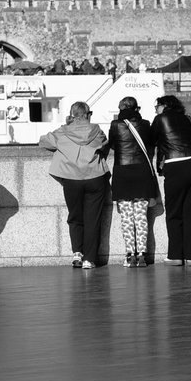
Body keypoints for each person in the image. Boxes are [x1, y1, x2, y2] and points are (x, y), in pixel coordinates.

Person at [38, 101, 108, 268]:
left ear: (71, 115)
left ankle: (77, 253)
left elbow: (44, 141)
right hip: (95, 177)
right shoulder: (97, 130)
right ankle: (89, 259)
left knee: (75, 216)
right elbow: (104, 144)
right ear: (88, 114)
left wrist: (67, 125)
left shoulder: (63, 131)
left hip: (71, 178)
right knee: (93, 219)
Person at [151, 94, 191, 266]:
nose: (155, 109)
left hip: (176, 166)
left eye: (156, 106)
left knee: (174, 212)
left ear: (164, 106)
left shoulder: (160, 119)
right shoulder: (187, 119)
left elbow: (151, 140)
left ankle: (176, 255)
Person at [104, 96, 158, 267]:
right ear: (137, 109)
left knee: (127, 216)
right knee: (141, 216)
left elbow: (112, 145)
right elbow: (150, 144)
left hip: (122, 171)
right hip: (142, 171)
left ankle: (129, 255)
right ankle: (142, 254)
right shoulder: (146, 124)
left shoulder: (115, 125)